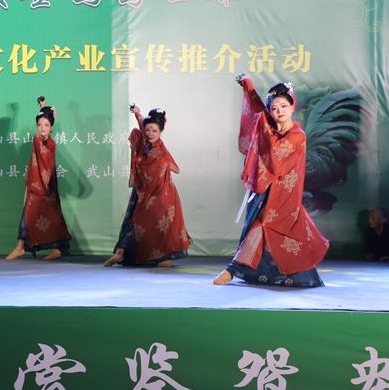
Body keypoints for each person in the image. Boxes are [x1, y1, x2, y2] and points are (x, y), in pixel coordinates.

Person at [213, 75, 328, 287]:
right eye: (274, 108)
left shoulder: (298, 135)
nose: (279, 111)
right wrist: (249, 88)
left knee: (264, 226)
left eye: (283, 106)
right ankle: (252, 272)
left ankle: (232, 270)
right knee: (259, 228)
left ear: (292, 107)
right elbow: (259, 113)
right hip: (266, 190)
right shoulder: (271, 129)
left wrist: (264, 127)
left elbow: (275, 154)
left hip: (284, 196)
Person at [104, 105, 190, 267]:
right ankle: (121, 253)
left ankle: (159, 257)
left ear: (161, 132)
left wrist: (164, 167)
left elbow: (176, 169)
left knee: (156, 223)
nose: (150, 133)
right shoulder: (144, 141)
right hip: (145, 191)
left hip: (161, 192)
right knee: (135, 221)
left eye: (154, 131)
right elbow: (142, 123)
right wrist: (137, 113)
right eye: (148, 130)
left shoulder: (159, 150)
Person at [5, 96, 71, 261]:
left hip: (47, 187)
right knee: (29, 215)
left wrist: (44, 111)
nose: (42, 128)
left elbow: (45, 142)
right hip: (36, 185)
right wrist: (43, 107)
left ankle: (55, 249)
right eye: (39, 125)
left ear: (52, 128)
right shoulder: (37, 140)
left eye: (46, 125)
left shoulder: (50, 143)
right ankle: (20, 247)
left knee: (51, 216)